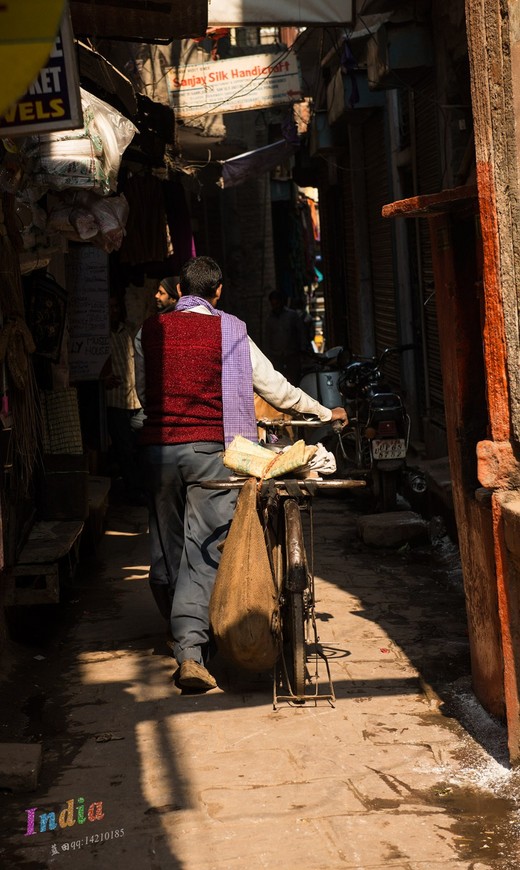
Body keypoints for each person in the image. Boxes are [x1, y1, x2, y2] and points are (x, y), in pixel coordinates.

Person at [134, 256, 347, 692]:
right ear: (218, 292)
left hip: (158, 452)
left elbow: (142, 389)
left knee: (167, 545)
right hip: (211, 451)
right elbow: (275, 389)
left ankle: (181, 630)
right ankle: (191, 652)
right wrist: (325, 411)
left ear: (179, 292)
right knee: (202, 549)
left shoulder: (149, 331)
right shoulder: (230, 330)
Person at [103, 297, 144, 504]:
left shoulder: (127, 331)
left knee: (142, 445)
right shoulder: (100, 337)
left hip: (136, 400)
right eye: (110, 307)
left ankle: (141, 487)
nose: (114, 310)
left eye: (116, 306)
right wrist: (102, 378)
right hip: (116, 400)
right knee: (125, 449)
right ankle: (133, 492)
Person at [263, 289, 312, 387]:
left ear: (281, 302)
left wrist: (303, 349)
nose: (275, 306)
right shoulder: (269, 320)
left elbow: (301, 333)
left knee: (294, 381)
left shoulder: (292, 316)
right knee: (279, 382)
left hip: (292, 354)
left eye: (277, 303)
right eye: (273, 304)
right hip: (277, 356)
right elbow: (267, 339)